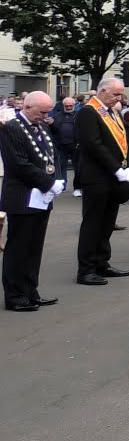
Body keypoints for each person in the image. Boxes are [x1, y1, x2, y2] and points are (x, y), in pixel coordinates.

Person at [2, 91, 61, 311]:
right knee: (18, 247)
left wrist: (55, 179)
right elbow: (19, 164)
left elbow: (48, 157)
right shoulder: (12, 128)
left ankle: (30, 291)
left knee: (34, 247)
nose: (45, 117)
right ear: (27, 107)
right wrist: (48, 182)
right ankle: (15, 296)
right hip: (22, 196)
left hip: (41, 198)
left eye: (47, 112)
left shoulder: (41, 125)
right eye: (42, 112)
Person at [74, 78, 129, 286]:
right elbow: (93, 144)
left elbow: (123, 141)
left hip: (113, 177)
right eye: (116, 94)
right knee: (93, 224)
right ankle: (86, 269)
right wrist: (116, 168)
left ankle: (102, 262)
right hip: (97, 177)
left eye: (121, 94)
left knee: (107, 223)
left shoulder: (112, 112)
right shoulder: (88, 112)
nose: (120, 98)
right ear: (103, 91)